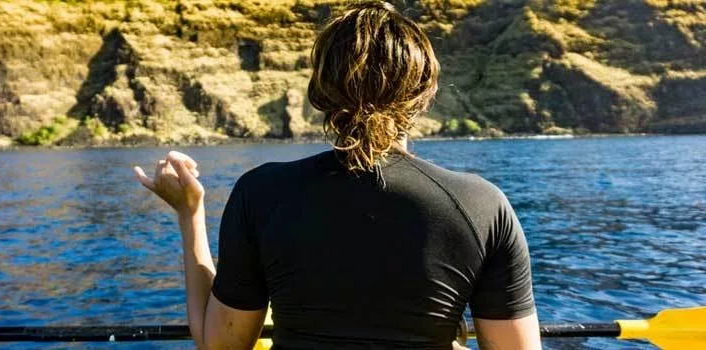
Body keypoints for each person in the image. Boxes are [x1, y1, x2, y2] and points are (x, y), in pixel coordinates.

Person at [133, 1, 541, 349]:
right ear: (424, 94)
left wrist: (190, 214)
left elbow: (219, 343)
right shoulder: (482, 206)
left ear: (322, 92)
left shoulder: (261, 193)